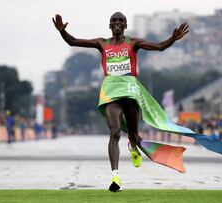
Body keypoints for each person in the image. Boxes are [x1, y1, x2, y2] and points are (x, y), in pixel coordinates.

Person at [53, 12, 188, 192]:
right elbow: (74, 41)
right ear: (110, 26)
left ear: (124, 25)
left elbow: (159, 47)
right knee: (115, 132)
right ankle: (115, 176)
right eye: (114, 21)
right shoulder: (102, 43)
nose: (117, 23)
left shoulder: (133, 43)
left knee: (133, 134)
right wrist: (62, 31)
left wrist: (173, 38)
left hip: (130, 92)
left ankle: (133, 145)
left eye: (120, 21)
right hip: (110, 93)